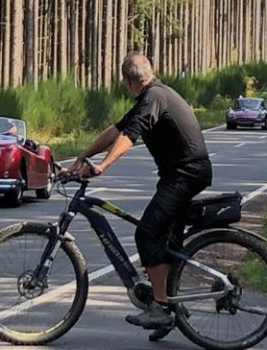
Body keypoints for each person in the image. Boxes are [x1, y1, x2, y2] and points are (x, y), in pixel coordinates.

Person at [61, 52, 213, 328]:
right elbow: (117, 130)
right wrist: (84, 155)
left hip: (186, 174)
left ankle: (161, 309)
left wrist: (102, 166)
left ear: (128, 81)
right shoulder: (151, 96)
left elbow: (130, 135)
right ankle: (169, 309)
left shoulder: (155, 98)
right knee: (166, 244)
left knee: (146, 233)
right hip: (179, 175)